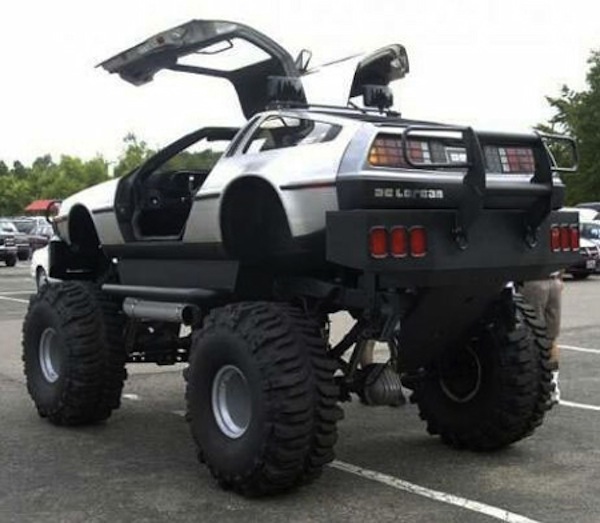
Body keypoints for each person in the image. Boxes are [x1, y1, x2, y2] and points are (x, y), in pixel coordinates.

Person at [519, 273, 563, 406]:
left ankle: (540, 385)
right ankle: (553, 385)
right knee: (551, 336)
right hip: (554, 281)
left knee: (533, 333)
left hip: (534, 281)